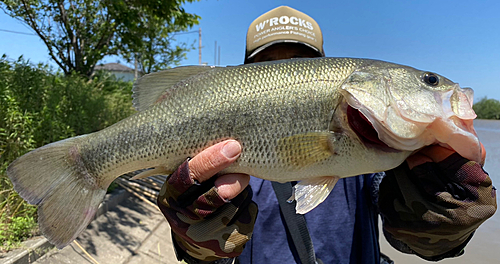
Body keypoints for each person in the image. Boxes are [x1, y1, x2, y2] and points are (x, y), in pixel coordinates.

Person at [157, 6, 496, 264]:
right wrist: (194, 239)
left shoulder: (379, 155)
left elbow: (410, 242)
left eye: (300, 63)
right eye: (270, 65)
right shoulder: (212, 156)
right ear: (245, 76)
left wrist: (446, 220)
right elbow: (204, 257)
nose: (287, 75)